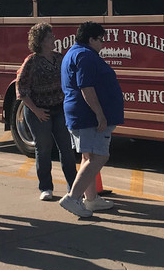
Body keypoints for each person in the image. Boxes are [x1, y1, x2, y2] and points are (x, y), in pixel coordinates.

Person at [58, 21, 125, 218]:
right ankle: (73, 198)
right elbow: (86, 87)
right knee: (99, 157)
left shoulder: (74, 53)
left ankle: (91, 198)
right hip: (88, 117)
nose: (103, 45)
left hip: (80, 115)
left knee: (88, 156)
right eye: (101, 40)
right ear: (91, 39)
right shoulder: (85, 56)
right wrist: (100, 114)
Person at [17, 23, 77, 201]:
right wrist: (36, 111)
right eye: (50, 37)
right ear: (41, 41)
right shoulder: (32, 62)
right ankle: (46, 187)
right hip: (38, 112)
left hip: (59, 109)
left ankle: (73, 188)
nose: (54, 40)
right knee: (43, 149)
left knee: (66, 149)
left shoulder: (60, 58)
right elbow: (21, 89)